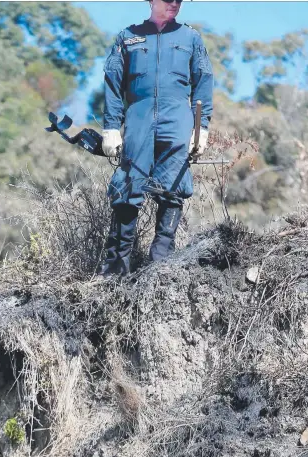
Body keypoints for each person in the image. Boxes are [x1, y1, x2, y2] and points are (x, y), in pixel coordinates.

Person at [100, 0, 214, 276]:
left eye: (179, 0)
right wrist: (111, 127)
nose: (174, 4)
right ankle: (117, 267)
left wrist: (202, 129)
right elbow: (113, 83)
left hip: (177, 118)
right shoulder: (128, 36)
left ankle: (161, 264)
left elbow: (203, 81)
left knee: (173, 188)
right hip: (138, 115)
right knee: (128, 186)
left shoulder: (191, 38)